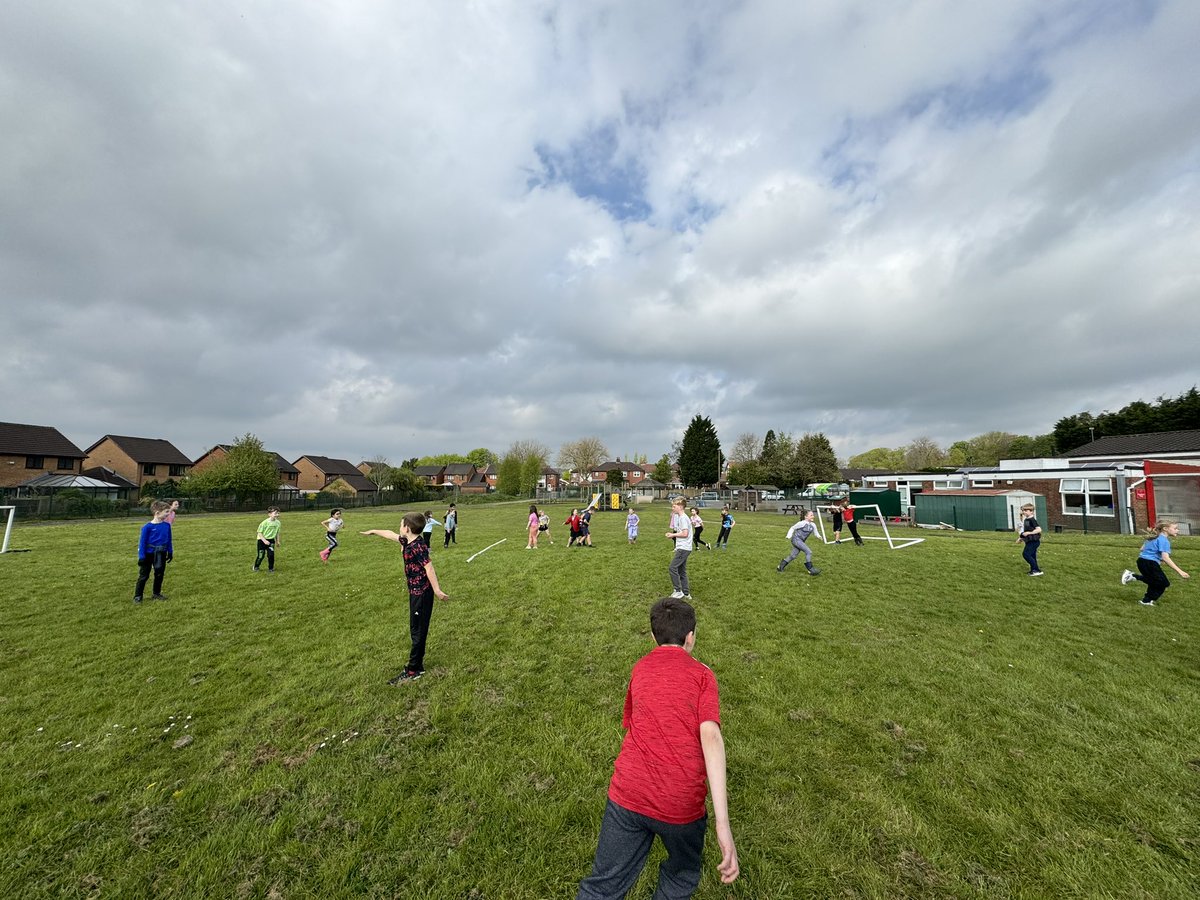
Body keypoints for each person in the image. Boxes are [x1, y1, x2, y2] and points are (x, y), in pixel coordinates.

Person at [576, 597, 739, 898]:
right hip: (680, 805)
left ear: (652, 637)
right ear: (691, 637)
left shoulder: (640, 668)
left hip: (627, 793)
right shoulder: (703, 675)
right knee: (681, 875)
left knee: (603, 885)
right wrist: (722, 824)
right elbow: (711, 737)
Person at [362, 512, 450, 683]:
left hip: (422, 594)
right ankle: (417, 666)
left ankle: (414, 670)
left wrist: (437, 591)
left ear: (407, 528)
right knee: (415, 628)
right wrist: (373, 531)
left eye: (401, 524)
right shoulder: (408, 540)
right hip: (415, 592)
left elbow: (429, 568)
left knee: (417, 631)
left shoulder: (418, 546)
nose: (399, 527)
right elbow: (390, 534)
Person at [1122, 521, 1189, 606]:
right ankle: (1133, 576)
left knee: (1155, 582)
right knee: (1163, 583)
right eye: (1175, 528)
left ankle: (1146, 601)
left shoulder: (1153, 537)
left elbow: (1142, 549)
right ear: (1165, 529)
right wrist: (1180, 571)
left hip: (1142, 561)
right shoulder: (1164, 541)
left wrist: (1158, 558)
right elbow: (1166, 557)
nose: (1177, 530)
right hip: (1149, 564)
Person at [133, 500, 173, 603]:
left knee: (159, 574)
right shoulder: (147, 527)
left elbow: (169, 539)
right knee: (144, 575)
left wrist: (170, 551)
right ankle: (138, 596)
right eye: (166, 512)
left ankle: (156, 593)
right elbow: (142, 543)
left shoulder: (167, 526)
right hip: (149, 554)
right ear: (157, 513)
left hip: (161, 553)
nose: (168, 514)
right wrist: (142, 557)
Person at [777, 509, 820, 576]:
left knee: (793, 556)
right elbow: (792, 528)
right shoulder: (802, 523)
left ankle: (780, 567)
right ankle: (810, 569)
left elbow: (816, 533)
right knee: (809, 552)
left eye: (813, 515)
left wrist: (819, 536)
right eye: (811, 515)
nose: (813, 516)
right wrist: (789, 536)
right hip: (796, 540)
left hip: (801, 541)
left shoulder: (813, 525)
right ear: (806, 517)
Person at [666, 497, 693, 599]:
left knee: (672, 568)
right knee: (682, 571)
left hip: (683, 548)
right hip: (685, 548)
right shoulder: (682, 517)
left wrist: (673, 535)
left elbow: (685, 533)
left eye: (674, 506)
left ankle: (678, 591)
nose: (672, 508)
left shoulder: (683, 518)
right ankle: (686, 593)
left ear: (680, 507)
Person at [1015, 503, 1043, 576]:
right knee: (1032, 556)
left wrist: (1029, 533)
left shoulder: (1032, 520)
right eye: (1023, 510)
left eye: (1026, 510)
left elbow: (1039, 529)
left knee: (1026, 554)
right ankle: (1034, 570)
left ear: (1031, 511)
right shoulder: (1026, 520)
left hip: (1034, 541)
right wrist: (1021, 538)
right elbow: (1024, 531)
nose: (1024, 512)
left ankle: (1036, 570)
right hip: (1029, 541)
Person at [254, 507, 282, 572]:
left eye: (278, 513)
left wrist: (277, 541)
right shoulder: (264, 523)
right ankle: (256, 566)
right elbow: (259, 533)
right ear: (269, 514)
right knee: (261, 555)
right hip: (262, 540)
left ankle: (271, 568)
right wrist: (265, 541)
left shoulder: (278, 523)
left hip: (271, 541)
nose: (277, 514)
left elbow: (277, 533)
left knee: (271, 555)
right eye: (275, 513)